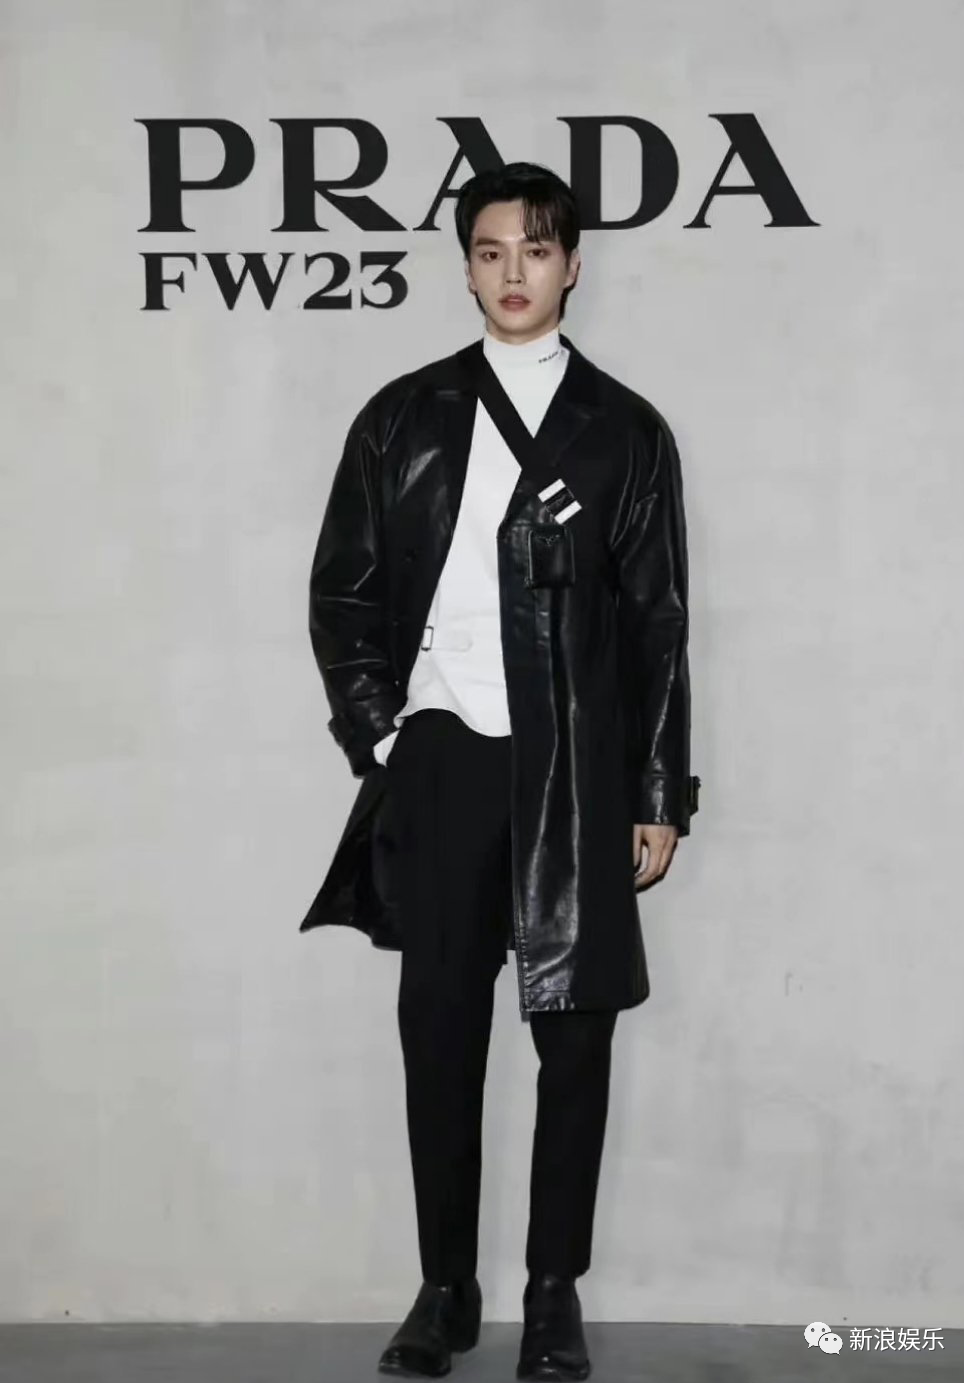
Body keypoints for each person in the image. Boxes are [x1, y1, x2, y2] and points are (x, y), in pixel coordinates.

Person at [300, 162, 700, 1380]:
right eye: (488, 251)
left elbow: (658, 624)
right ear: (466, 268)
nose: (511, 272)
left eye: (534, 249)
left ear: (572, 265)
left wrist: (655, 791)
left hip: (574, 766)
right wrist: (387, 735)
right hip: (442, 763)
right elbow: (343, 592)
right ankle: (445, 1290)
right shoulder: (403, 416)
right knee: (438, 1031)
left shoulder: (624, 431)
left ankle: (551, 1294)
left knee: (575, 1039)